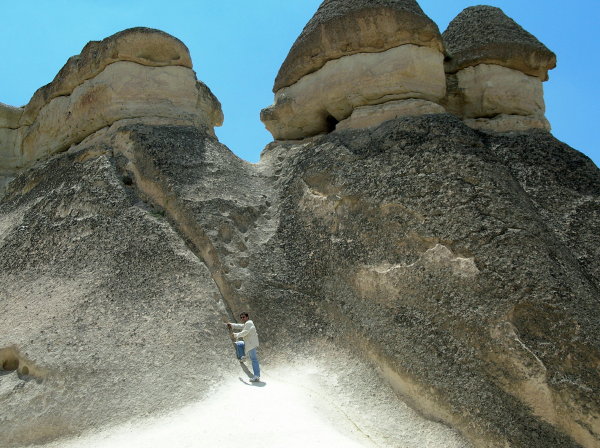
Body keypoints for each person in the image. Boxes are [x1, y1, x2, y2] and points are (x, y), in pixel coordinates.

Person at [227, 312, 261, 382]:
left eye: (244, 317)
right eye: (241, 317)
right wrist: (232, 325)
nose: (242, 318)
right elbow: (241, 326)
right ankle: (243, 357)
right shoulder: (247, 324)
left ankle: (256, 376)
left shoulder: (249, 323)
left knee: (254, 360)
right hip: (249, 343)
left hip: (251, 344)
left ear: (247, 317)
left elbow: (245, 332)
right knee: (239, 344)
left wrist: (236, 335)